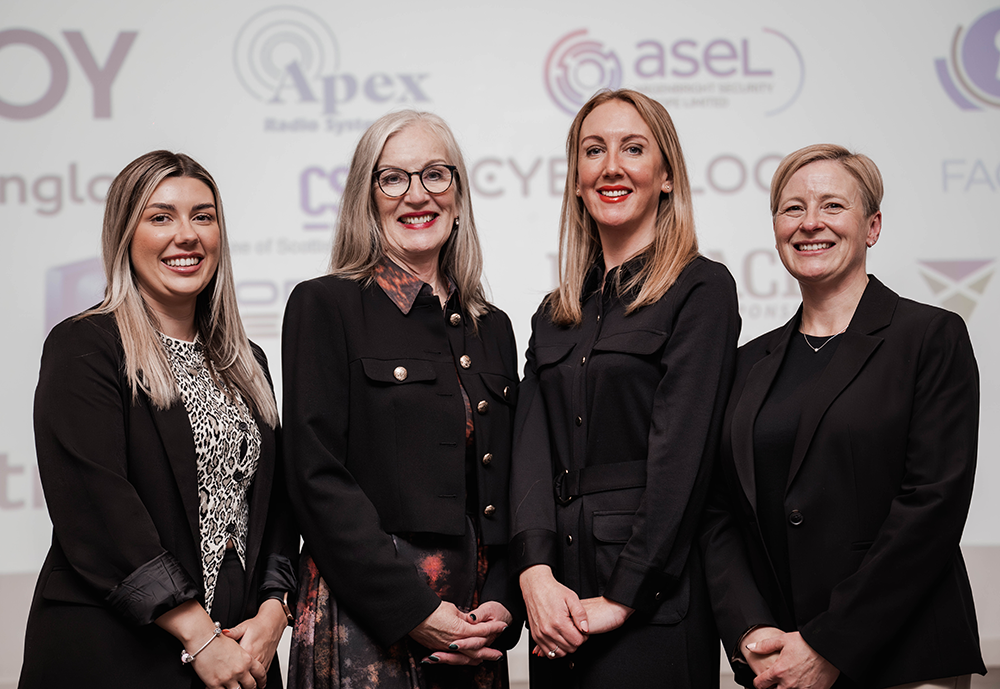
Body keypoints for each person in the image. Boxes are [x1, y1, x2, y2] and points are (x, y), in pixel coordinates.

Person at [701, 144, 986, 689]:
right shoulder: (745, 363)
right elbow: (719, 513)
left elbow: (932, 505)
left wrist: (828, 644)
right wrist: (751, 633)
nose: (811, 223)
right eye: (792, 209)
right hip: (779, 659)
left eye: (833, 206)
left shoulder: (930, 337)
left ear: (872, 226)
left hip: (907, 658)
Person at [18, 151, 298, 689]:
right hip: (118, 655)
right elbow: (98, 506)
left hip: (241, 659)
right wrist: (199, 636)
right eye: (161, 216)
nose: (187, 235)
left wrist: (273, 613)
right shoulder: (86, 347)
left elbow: (276, 507)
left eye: (203, 216)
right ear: (126, 234)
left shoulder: (247, 363)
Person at [509, 88, 740, 688]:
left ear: (665, 176)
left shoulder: (701, 290)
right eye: (594, 151)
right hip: (556, 610)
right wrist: (534, 574)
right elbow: (530, 448)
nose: (611, 166)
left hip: (652, 608)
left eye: (633, 148)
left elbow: (682, 458)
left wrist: (624, 595)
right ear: (578, 181)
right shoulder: (554, 311)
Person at [282, 110, 520, 689]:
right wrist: (414, 612)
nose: (418, 194)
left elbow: (511, 486)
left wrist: (503, 606)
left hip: (471, 628)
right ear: (368, 198)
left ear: (459, 195)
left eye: (436, 175)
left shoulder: (495, 327)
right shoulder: (325, 306)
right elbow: (316, 480)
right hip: (367, 620)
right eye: (393, 178)